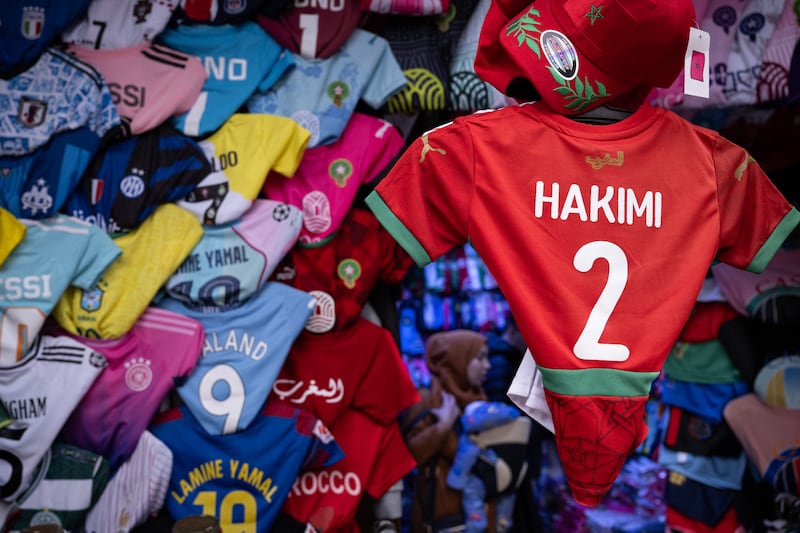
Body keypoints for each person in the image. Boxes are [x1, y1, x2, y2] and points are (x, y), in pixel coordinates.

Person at [400, 329, 531, 533]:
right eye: (479, 358)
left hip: (482, 518)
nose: (487, 366)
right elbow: (411, 457)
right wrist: (442, 426)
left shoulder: (479, 399)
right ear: (457, 360)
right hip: (444, 519)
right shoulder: (427, 400)